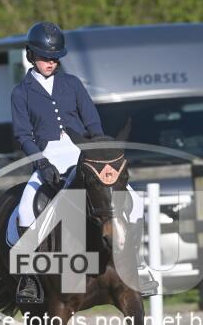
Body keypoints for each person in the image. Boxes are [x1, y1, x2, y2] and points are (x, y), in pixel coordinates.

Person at [10, 21, 154, 303]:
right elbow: (23, 135)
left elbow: (93, 124)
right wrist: (42, 164)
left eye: (55, 58)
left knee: (134, 202)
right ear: (31, 55)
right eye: (45, 57)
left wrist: (100, 155)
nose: (51, 62)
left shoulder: (72, 84)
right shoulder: (21, 92)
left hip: (82, 153)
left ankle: (138, 264)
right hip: (47, 154)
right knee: (26, 210)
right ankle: (29, 278)